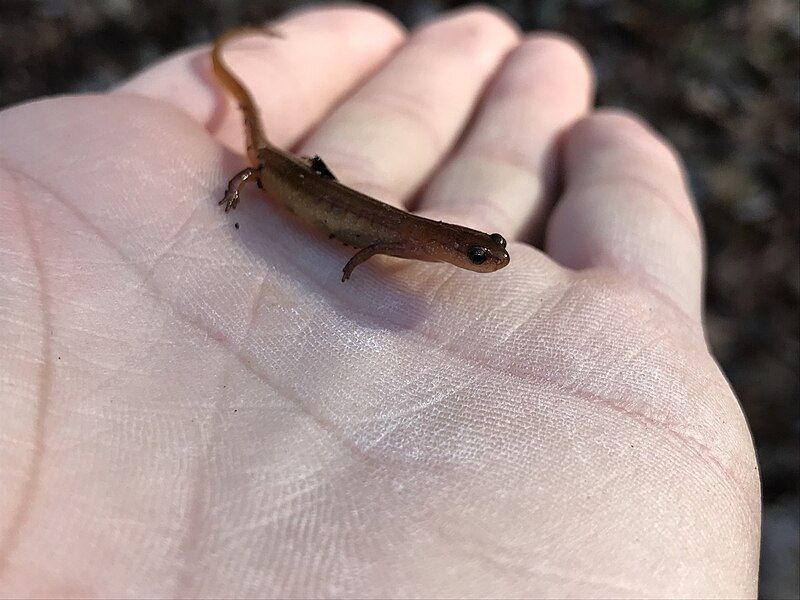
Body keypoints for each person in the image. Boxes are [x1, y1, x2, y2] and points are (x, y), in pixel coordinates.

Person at [0, 5, 760, 597]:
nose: (485, 261)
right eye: (476, 253)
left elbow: (385, 242)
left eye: (483, 252)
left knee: (296, 172)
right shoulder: (408, 242)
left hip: (319, 188)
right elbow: (367, 241)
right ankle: (251, 171)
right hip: (282, 177)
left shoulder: (424, 244)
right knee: (265, 165)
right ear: (450, 244)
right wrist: (306, 220)